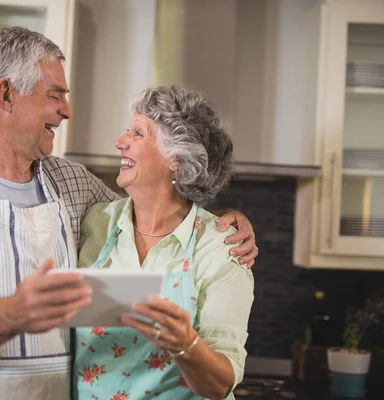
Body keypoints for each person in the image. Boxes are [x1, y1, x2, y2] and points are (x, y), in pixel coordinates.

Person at [0, 27, 258, 399]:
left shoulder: (71, 184)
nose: (67, 110)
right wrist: (13, 314)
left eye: (137, 133)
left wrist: (222, 219)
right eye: (55, 95)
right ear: (6, 95)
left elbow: (160, 208)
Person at [72, 85, 254, 399]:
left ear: (176, 158)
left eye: (137, 134)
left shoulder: (220, 247)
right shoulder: (94, 223)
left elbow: (221, 383)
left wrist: (186, 344)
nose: (119, 142)